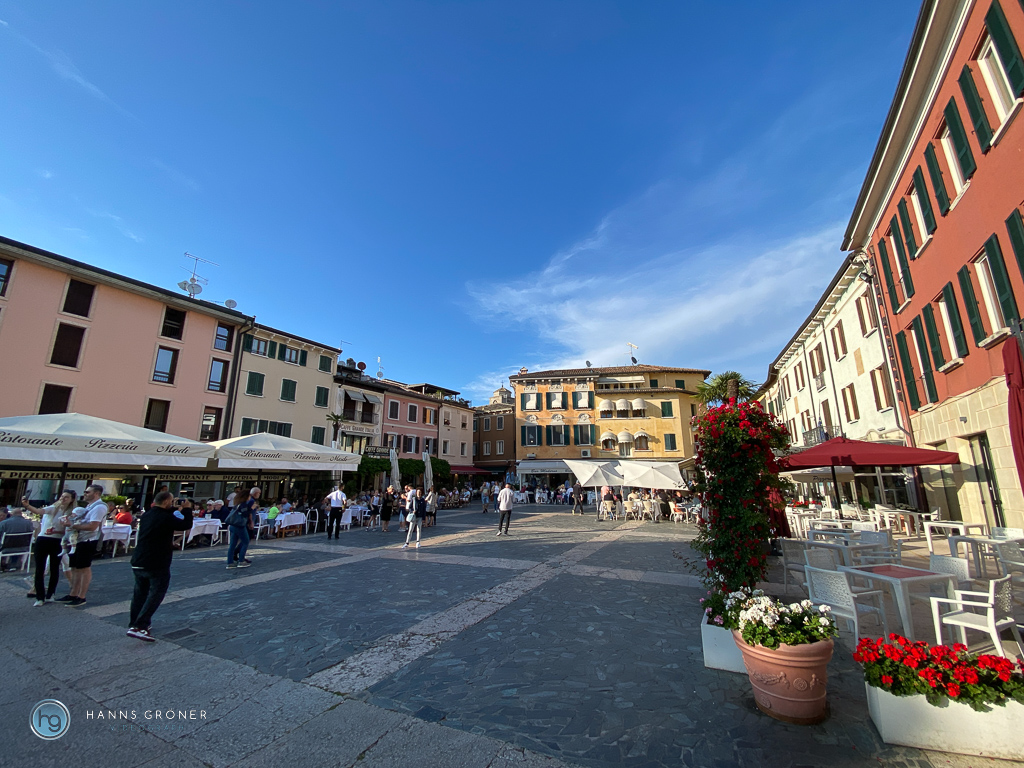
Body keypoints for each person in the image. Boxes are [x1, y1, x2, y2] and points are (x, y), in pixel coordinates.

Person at [126, 491, 193, 641]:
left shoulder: (148, 515)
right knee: (156, 593)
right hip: (156, 562)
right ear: (167, 502)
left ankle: (134, 622)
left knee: (140, 594)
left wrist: (174, 507)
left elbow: (163, 513)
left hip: (139, 559)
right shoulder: (165, 518)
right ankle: (140, 625)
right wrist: (187, 509)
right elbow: (186, 524)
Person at [23, 490, 76, 603]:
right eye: (62, 496)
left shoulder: (71, 513)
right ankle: (39, 596)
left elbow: (70, 530)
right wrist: (27, 505)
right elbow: (39, 511)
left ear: (71, 500)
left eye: (66, 497)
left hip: (57, 540)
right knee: (40, 568)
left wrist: (57, 531)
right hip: (43, 539)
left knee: (54, 568)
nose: (63, 499)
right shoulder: (53, 508)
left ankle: (50, 594)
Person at [0, 507, 35, 572]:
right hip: (23, 548)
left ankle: (2, 563)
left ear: (12, 514)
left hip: (5, 548)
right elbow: (31, 535)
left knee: (8, 542)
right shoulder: (28, 523)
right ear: (21, 514)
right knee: (16, 542)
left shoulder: (4, 523)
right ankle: (13, 565)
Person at [226, 488, 254, 568]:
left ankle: (230, 562)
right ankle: (241, 561)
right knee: (245, 541)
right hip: (239, 525)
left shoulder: (237, 504)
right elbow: (244, 514)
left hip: (233, 525)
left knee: (232, 544)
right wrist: (251, 509)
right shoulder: (243, 504)